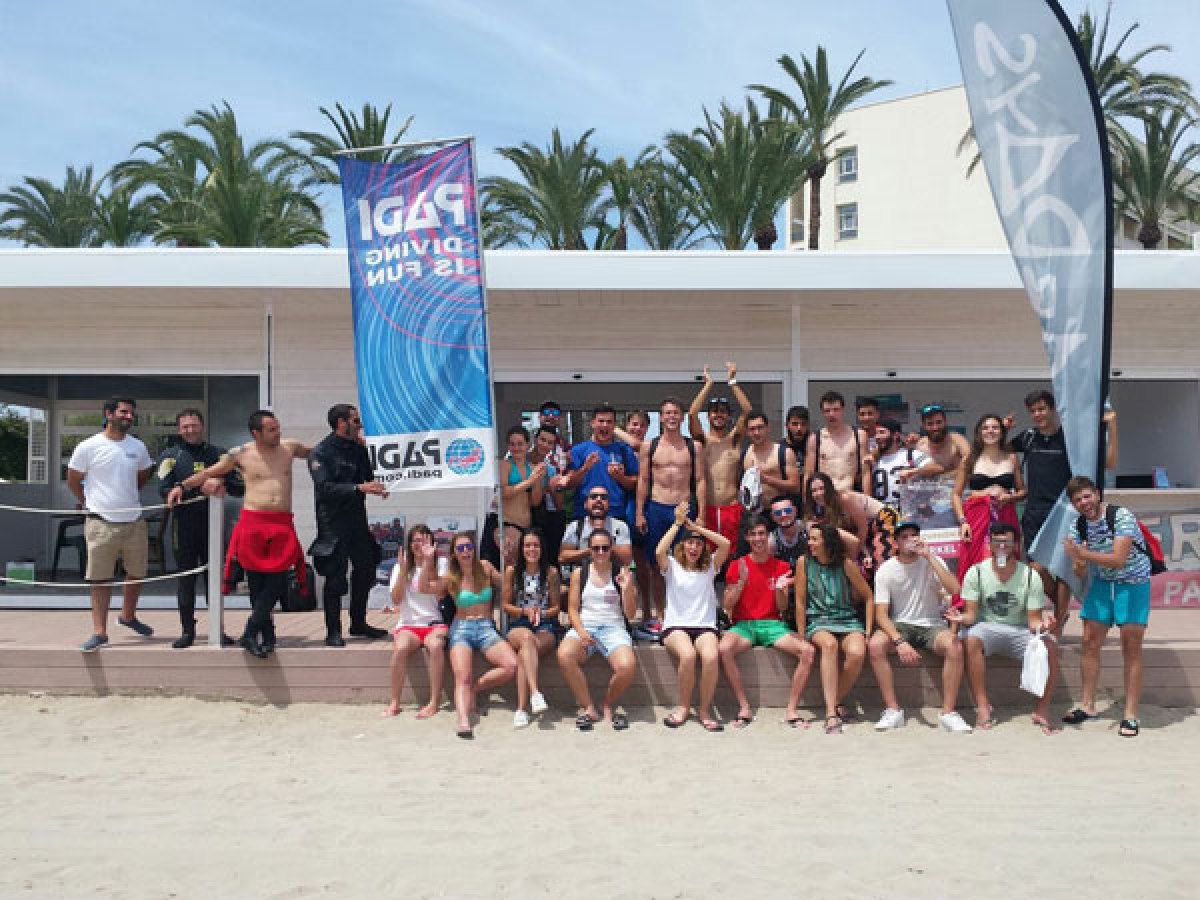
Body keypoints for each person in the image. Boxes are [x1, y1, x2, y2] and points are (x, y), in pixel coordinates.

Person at [171, 409, 311, 657]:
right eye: (271, 429)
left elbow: (320, 451)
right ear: (256, 433)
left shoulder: (290, 447)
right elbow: (208, 473)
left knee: (278, 577)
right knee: (257, 581)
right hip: (253, 520)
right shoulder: (240, 454)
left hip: (281, 521)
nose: (278, 433)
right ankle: (266, 635)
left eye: (278, 427)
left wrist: (363, 441)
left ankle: (250, 630)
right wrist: (180, 486)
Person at [1003, 391, 1119, 626]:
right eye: (1033, 410)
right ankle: (1060, 609)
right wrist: (1004, 429)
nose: (1038, 414)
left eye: (1042, 409)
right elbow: (997, 451)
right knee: (1036, 568)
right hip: (1034, 512)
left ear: (1053, 409)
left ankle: (1059, 617)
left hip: (1065, 514)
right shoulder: (1027, 438)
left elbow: (1107, 462)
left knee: (1064, 571)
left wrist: (1111, 424)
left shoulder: (1069, 439)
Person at [1061, 476, 1152, 738]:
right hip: (1102, 584)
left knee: (1131, 647)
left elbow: (1119, 559)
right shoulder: (1077, 524)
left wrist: (1083, 555)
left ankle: (1130, 714)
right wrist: (1078, 562)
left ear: (1098, 494)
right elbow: (1080, 572)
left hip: (1133, 583)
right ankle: (1087, 705)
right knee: (1089, 642)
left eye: (1087, 496)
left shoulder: (1120, 515)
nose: (1083, 503)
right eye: (1077, 500)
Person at [67, 397, 155, 652]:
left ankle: (128, 616)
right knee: (100, 578)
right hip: (100, 522)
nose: (128, 417)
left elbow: (141, 478)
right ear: (108, 414)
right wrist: (87, 501)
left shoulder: (138, 447)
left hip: (134, 521)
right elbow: (73, 480)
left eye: (131, 413)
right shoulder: (88, 446)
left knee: (137, 572)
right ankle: (100, 632)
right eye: (123, 412)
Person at [867, 521, 973, 733]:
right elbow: (881, 614)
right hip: (901, 624)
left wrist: (929, 557)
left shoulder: (933, 561)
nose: (910, 540)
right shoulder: (886, 570)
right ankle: (892, 709)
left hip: (932, 624)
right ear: (896, 542)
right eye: (904, 536)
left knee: (955, 646)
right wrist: (899, 641)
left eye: (914, 535)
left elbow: (954, 589)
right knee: (875, 645)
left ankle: (948, 712)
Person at [957, 522, 1060, 734]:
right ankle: (983, 705)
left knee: (1049, 646)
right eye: (997, 541)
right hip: (987, 626)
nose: (1002, 546)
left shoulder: (1030, 576)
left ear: (1016, 545)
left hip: (1019, 629)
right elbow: (971, 615)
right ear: (989, 544)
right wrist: (960, 617)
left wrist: (1044, 625)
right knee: (971, 638)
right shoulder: (976, 572)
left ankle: (1041, 710)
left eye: (1007, 542)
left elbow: (1033, 620)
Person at [156, 408, 244, 649]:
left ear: (202, 426)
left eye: (194, 425)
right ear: (178, 429)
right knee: (186, 581)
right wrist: (197, 488)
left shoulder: (219, 454)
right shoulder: (169, 456)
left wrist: (221, 481)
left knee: (214, 579)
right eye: (185, 427)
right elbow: (163, 489)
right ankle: (187, 632)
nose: (190, 430)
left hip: (213, 527)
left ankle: (217, 629)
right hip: (183, 528)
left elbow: (240, 486)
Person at [718, 515, 816, 728]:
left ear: (768, 536)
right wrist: (741, 582)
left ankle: (791, 710)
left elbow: (781, 608)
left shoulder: (781, 566)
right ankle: (744, 707)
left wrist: (782, 591)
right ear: (747, 537)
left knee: (807, 651)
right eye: (753, 534)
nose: (757, 538)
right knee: (724, 649)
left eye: (761, 533)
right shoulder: (737, 565)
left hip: (772, 625)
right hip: (744, 625)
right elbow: (727, 605)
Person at [307, 404, 389, 646]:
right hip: (332, 524)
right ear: (341, 423)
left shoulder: (357, 449)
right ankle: (333, 631)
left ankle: (358, 622)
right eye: (355, 421)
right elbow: (324, 488)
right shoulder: (320, 452)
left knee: (366, 570)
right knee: (335, 578)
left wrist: (377, 484)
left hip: (357, 521)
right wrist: (359, 488)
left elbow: (369, 475)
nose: (360, 425)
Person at [656, 502, 732, 732]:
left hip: (705, 626)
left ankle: (705, 710)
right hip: (676, 626)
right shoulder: (672, 566)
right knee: (688, 656)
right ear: (682, 545)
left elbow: (726, 544)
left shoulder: (710, 567)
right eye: (690, 542)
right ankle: (683, 707)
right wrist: (678, 524)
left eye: (698, 544)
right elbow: (659, 551)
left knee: (710, 657)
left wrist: (697, 528)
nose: (694, 547)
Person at [636, 397, 708, 633]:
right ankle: (661, 614)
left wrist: (701, 516)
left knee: (687, 563)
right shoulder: (650, 445)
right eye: (667, 413)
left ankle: (685, 613)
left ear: (682, 416)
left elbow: (699, 480)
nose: (672, 417)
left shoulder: (693, 447)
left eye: (676, 412)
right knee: (657, 565)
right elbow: (644, 480)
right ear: (661, 417)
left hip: (685, 508)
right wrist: (640, 512)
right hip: (657, 507)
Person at [557, 528, 640, 731]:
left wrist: (627, 588)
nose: (600, 552)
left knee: (627, 666)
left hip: (614, 627)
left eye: (605, 548)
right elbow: (572, 609)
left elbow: (630, 614)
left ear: (611, 549)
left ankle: (608, 703)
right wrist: (582, 632)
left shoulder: (622, 573)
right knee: (564, 655)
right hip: (586, 624)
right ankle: (588, 707)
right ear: (590, 550)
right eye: (596, 548)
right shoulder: (580, 573)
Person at [799, 523, 874, 734]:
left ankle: (836, 700)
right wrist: (802, 634)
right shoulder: (803, 563)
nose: (810, 543)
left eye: (815, 539)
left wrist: (867, 632)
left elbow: (868, 596)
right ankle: (831, 713)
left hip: (847, 619)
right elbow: (800, 601)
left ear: (827, 541)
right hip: (818, 619)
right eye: (810, 538)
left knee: (858, 652)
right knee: (830, 645)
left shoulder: (845, 563)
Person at [444, 531, 517, 739]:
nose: (465, 551)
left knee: (511, 665)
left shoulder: (484, 567)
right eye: (460, 548)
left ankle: (476, 689)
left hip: (486, 627)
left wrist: (509, 559)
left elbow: (506, 582)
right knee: (462, 677)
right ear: (454, 553)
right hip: (461, 629)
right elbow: (426, 588)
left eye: (469, 547)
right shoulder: (451, 576)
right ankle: (463, 721)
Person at [382, 525, 447, 719]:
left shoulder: (441, 563)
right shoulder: (400, 566)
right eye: (416, 541)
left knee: (435, 647)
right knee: (400, 648)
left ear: (432, 542)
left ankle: (434, 701)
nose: (420, 545)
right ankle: (394, 702)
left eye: (424, 540)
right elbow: (395, 599)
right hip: (409, 624)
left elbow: (441, 593)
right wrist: (403, 572)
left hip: (434, 622)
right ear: (410, 545)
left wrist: (428, 562)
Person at [687, 363, 752, 550]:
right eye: (714, 411)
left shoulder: (734, 440)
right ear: (708, 416)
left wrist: (732, 381)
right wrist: (708, 384)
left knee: (731, 555)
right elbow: (692, 414)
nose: (718, 415)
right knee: (706, 557)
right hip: (706, 509)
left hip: (731, 508)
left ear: (729, 416)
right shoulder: (702, 441)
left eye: (723, 411)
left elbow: (748, 411)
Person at [952, 414, 1026, 576]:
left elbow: (1023, 492)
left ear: (1002, 432)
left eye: (995, 427)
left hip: (1005, 514)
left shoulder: (1011, 457)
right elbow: (956, 494)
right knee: (975, 562)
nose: (990, 431)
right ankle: (973, 599)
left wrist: (1010, 497)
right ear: (979, 432)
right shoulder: (969, 459)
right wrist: (963, 522)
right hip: (976, 516)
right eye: (985, 428)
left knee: (1005, 558)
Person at [502, 529, 561, 728]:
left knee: (524, 655)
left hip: (545, 623)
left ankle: (521, 709)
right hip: (519, 622)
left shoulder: (551, 572)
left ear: (542, 548)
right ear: (522, 548)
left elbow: (556, 607)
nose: (531, 549)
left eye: (535, 545)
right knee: (526, 640)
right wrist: (524, 611)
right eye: (527, 545)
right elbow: (505, 605)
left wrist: (541, 613)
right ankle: (535, 693)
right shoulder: (512, 571)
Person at [566, 404, 639, 524]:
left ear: (614, 426)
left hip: (616, 514)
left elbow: (635, 483)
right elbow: (569, 483)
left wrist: (620, 478)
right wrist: (585, 468)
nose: (605, 425)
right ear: (593, 423)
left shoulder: (624, 450)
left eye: (609, 422)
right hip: (584, 514)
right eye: (601, 421)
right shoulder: (578, 450)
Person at [558, 486, 633, 583]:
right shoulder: (575, 526)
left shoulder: (620, 526)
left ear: (608, 504)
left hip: (612, 577)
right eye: (593, 497)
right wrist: (591, 550)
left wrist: (604, 540)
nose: (598, 500)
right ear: (585, 504)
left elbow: (626, 559)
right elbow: (562, 557)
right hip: (582, 577)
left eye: (603, 498)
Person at [805, 391, 871, 494]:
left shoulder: (859, 435)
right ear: (822, 412)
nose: (832, 414)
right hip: (825, 496)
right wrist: (807, 505)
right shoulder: (815, 438)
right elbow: (808, 474)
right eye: (827, 411)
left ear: (843, 410)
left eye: (836, 410)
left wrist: (867, 501)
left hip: (851, 494)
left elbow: (866, 472)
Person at [499, 425, 546, 565]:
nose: (516, 448)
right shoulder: (504, 465)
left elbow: (535, 502)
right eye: (512, 444)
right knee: (511, 564)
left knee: (524, 565)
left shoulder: (532, 468)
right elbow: (504, 493)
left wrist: (537, 482)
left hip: (526, 526)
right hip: (508, 524)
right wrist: (530, 481)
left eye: (520, 444)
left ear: (527, 445)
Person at [740, 410, 801, 511]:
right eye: (752, 429)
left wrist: (767, 480)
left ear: (768, 428)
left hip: (779, 511)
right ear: (747, 432)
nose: (757, 432)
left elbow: (795, 486)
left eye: (760, 428)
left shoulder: (784, 452)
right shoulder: (745, 454)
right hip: (754, 513)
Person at [870, 420, 936, 507]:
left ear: (895, 435)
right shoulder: (873, 460)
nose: (877, 437)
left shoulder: (911, 455)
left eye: (882, 432)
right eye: (876, 433)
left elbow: (935, 467)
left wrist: (913, 472)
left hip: (909, 514)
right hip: (883, 515)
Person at [801, 473, 865, 560]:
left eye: (822, 488)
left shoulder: (844, 499)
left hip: (879, 518)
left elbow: (863, 527)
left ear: (829, 488)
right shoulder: (813, 509)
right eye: (814, 490)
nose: (818, 493)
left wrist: (855, 556)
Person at [530, 424, 569, 566]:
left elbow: (559, 504)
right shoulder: (517, 458)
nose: (545, 445)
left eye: (550, 442)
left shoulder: (553, 466)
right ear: (535, 439)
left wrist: (553, 487)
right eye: (542, 440)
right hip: (525, 515)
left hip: (548, 516)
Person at [767, 494, 808, 629]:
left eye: (788, 511)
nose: (784, 515)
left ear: (795, 511)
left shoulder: (808, 530)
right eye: (778, 513)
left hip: (810, 585)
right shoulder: (772, 540)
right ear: (773, 517)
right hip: (785, 589)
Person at [783, 405, 811, 504]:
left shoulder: (814, 446)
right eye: (795, 424)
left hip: (811, 499)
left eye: (803, 424)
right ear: (786, 425)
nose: (799, 428)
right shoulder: (779, 448)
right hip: (786, 501)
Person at [855, 397, 881, 463]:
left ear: (877, 415)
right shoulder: (853, 438)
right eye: (862, 414)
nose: (866, 418)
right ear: (858, 416)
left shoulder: (886, 436)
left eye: (870, 414)